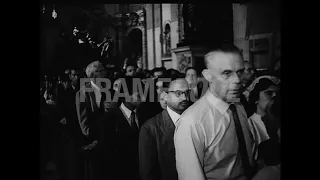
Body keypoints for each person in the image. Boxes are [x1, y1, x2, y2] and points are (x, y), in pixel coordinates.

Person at [174, 44, 256, 180]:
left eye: (240, 72)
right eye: (227, 73)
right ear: (208, 76)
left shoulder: (238, 106)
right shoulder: (192, 122)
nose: (237, 80)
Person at [139, 79, 191, 180]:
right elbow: (148, 173)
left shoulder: (195, 120)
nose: (184, 97)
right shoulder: (150, 128)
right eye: (178, 93)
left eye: (187, 93)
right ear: (166, 96)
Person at [102, 76, 143, 180]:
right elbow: (107, 153)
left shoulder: (145, 115)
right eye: (138, 94)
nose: (143, 97)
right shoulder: (109, 119)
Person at [75, 61, 107, 180]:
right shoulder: (83, 93)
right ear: (93, 75)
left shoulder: (108, 90)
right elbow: (83, 120)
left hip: (108, 139)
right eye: (101, 71)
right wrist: (93, 139)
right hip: (93, 141)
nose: (104, 73)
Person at [247, 77, 279, 154]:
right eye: (269, 94)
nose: (274, 97)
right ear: (256, 99)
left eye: (277, 94)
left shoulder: (277, 120)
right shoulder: (249, 125)